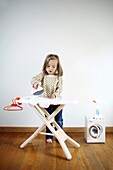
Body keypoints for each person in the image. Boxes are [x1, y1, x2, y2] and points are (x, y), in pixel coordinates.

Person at [31, 54, 63, 143]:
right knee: (48, 120)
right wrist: (35, 83)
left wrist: (55, 94)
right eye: (48, 66)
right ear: (45, 66)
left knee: (58, 120)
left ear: (57, 67)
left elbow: (60, 88)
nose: (50, 68)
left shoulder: (58, 77)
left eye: (53, 66)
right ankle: (49, 136)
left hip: (56, 102)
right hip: (46, 102)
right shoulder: (43, 75)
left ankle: (59, 136)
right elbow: (34, 78)